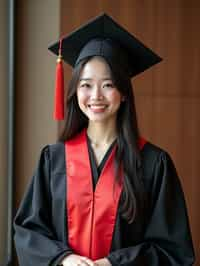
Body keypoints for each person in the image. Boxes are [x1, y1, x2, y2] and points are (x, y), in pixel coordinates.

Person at [14, 14, 195, 266]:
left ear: (123, 94)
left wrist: (114, 263)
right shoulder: (53, 160)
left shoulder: (154, 164)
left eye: (108, 84)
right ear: (75, 90)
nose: (96, 96)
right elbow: (28, 232)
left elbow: (172, 250)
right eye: (86, 85)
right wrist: (63, 259)